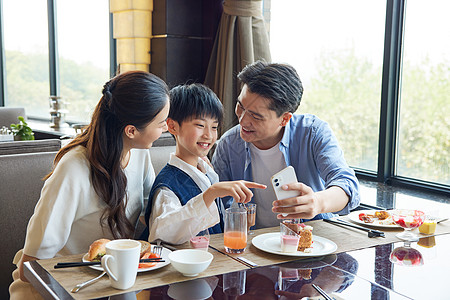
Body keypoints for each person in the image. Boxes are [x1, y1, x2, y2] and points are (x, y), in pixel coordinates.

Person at [9, 71, 170, 299]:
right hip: (55, 287)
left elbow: (150, 216)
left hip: (111, 283)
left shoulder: (139, 154)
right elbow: (30, 268)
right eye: (162, 123)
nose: (166, 128)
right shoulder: (74, 168)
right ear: (131, 131)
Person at [212, 61, 360, 228]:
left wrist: (318, 202)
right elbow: (214, 205)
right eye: (240, 106)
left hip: (312, 242)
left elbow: (347, 185)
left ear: (284, 119)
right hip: (253, 247)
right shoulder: (229, 144)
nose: (243, 120)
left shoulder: (313, 132)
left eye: (256, 116)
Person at [145, 83, 266, 244]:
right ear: (172, 126)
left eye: (214, 127)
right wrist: (211, 193)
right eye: (200, 125)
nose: (209, 135)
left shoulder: (207, 171)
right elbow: (164, 231)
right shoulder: (167, 185)